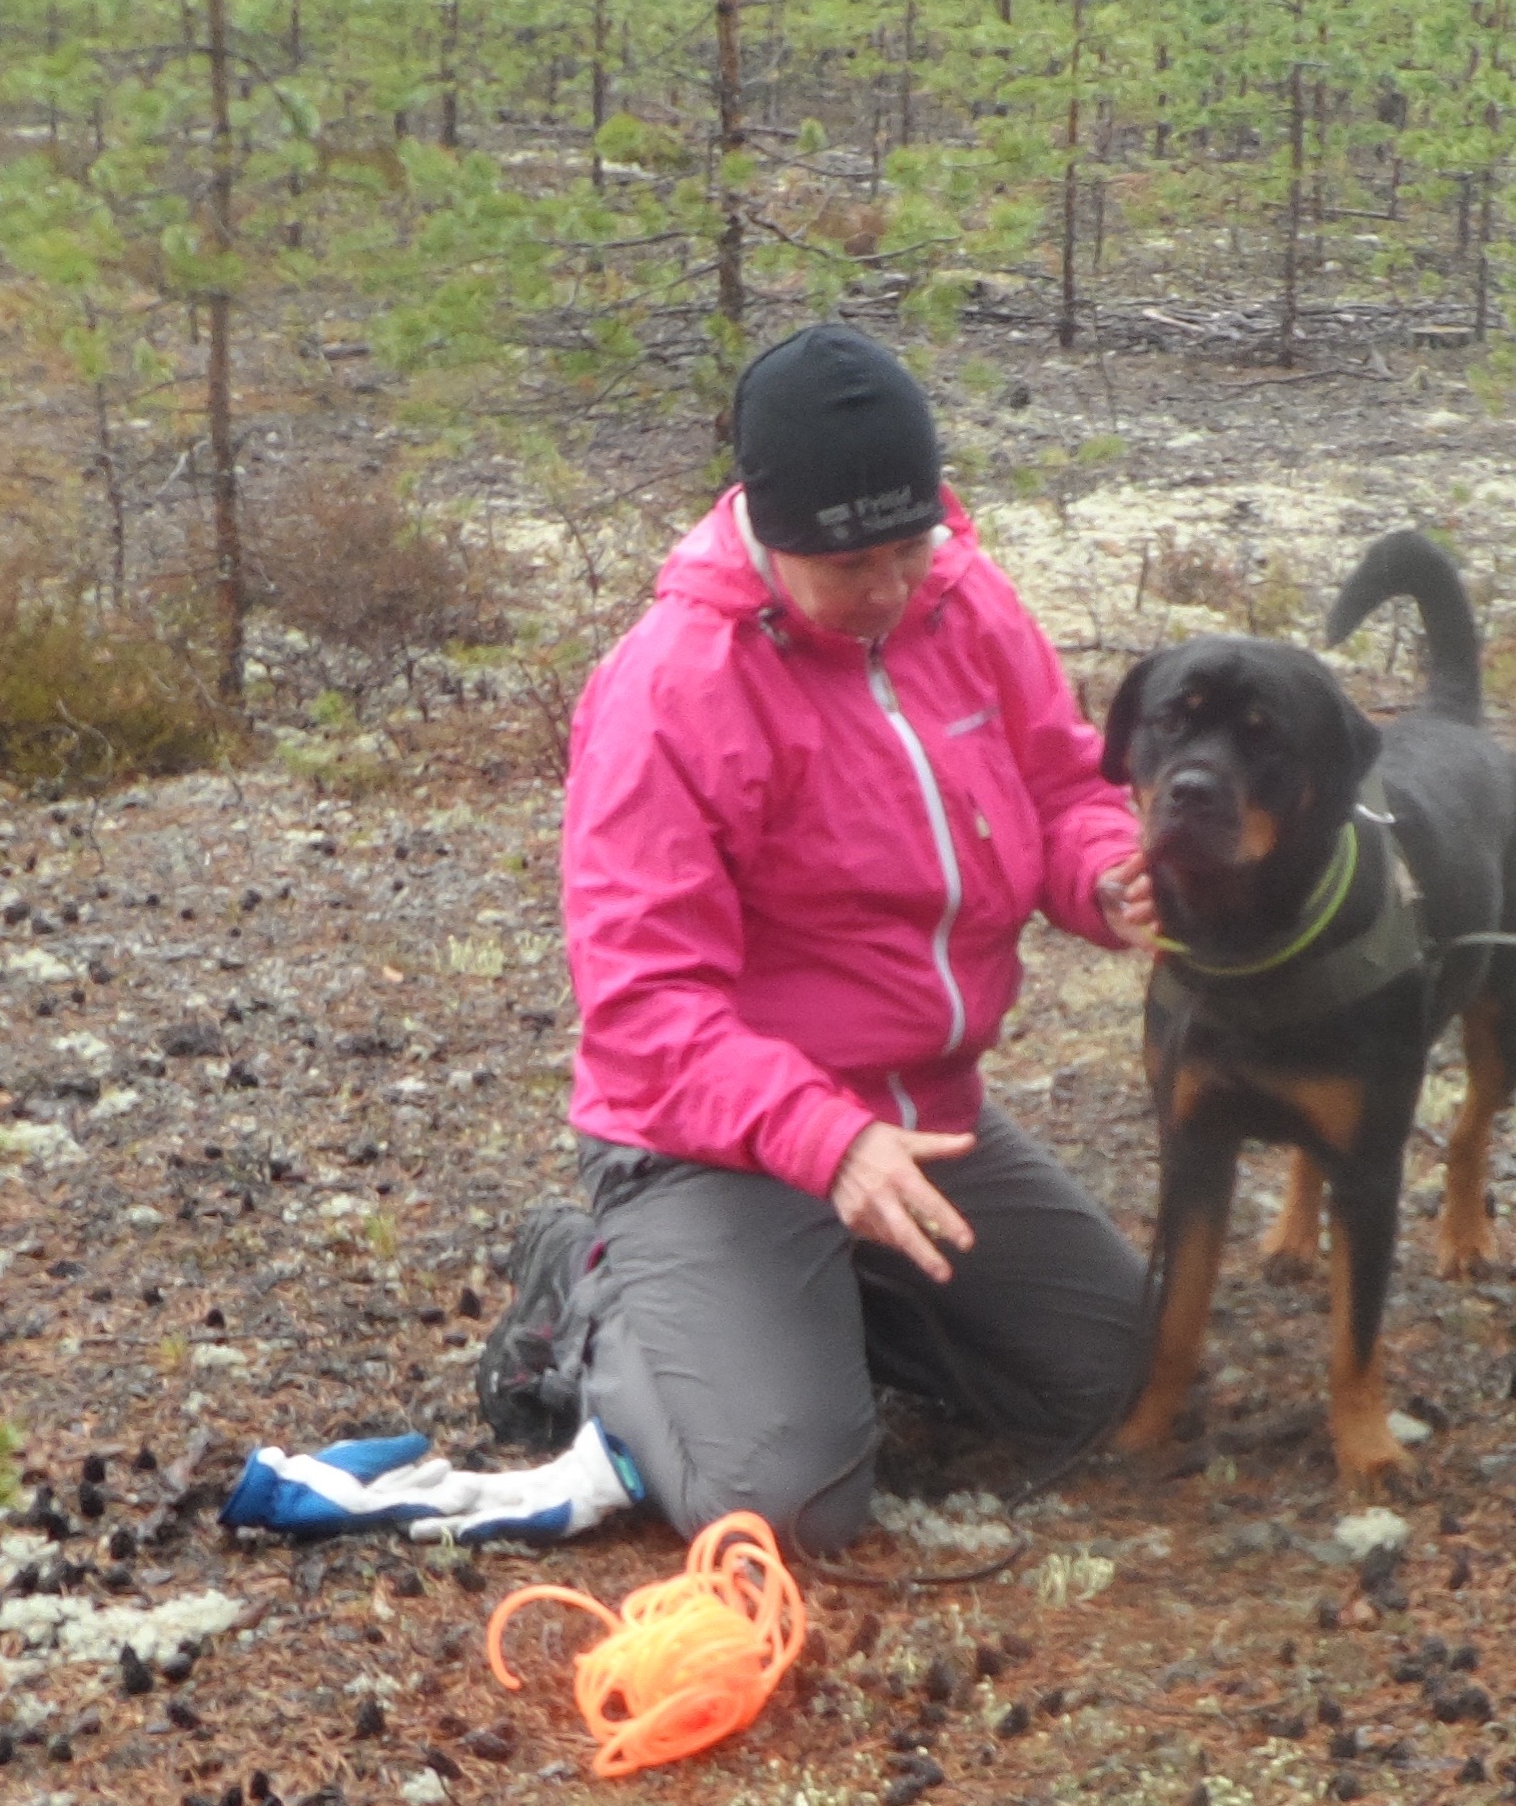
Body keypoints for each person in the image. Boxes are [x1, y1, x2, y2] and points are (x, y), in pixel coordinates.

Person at [474, 323, 1159, 1557]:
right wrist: (826, 1141)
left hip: (919, 1116)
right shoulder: (670, 688)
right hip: (706, 1148)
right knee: (785, 1505)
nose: (890, 587)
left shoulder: (964, 598)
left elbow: (1063, 785)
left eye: (910, 546)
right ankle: (591, 1286)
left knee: (1121, 1374)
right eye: (850, 565)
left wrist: (1106, 877)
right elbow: (646, 1004)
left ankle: (790, 1323)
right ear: (767, 531)